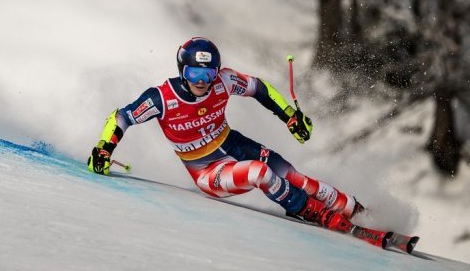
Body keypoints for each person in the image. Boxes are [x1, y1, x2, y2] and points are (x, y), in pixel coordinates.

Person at [87, 37, 363, 232]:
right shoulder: (162, 98)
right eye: (193, 72)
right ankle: (305, 209)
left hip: (234, 143)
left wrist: (290, 116)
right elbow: (121, 117)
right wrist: (104, 148)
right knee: (259, 173)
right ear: (182, 71)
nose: (200, 81)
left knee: (293, 176)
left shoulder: (224, 80)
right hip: (207, 171)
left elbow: (259, 88)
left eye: (207, 74)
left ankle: (354, 208)